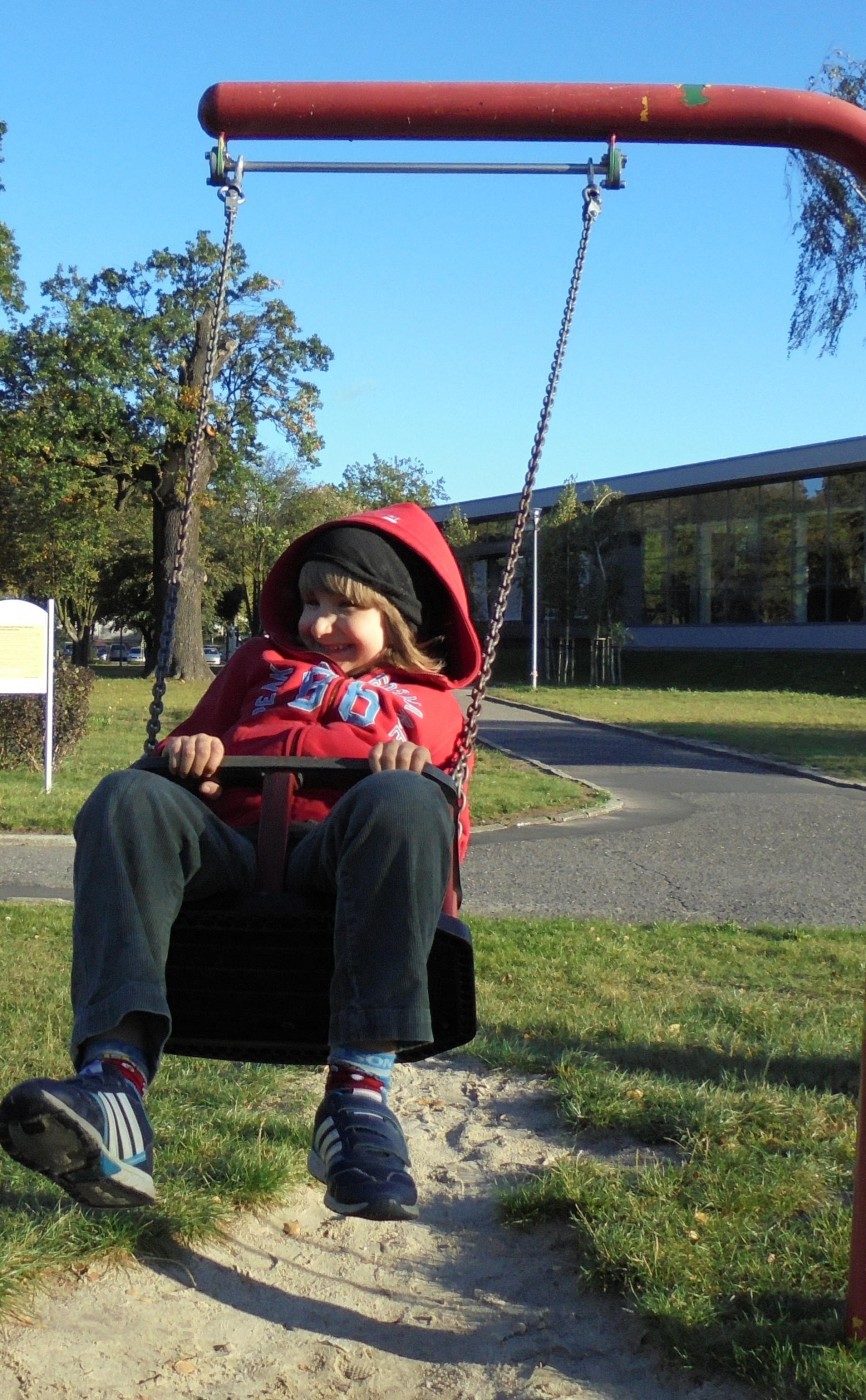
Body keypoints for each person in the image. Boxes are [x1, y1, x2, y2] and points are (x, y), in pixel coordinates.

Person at [0, 503, 481, 1222]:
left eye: (344, 608)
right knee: (127, 797)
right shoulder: (260, 665)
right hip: (229, 848)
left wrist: (410, 780)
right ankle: (114, 1087)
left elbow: (445, 837)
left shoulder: (432, 706)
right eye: (310, 602)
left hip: (336, 856)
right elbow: (184, 748)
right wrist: (191, 759)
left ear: (396, 617)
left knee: (410, 800)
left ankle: (357, 1102)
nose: (319, 624)